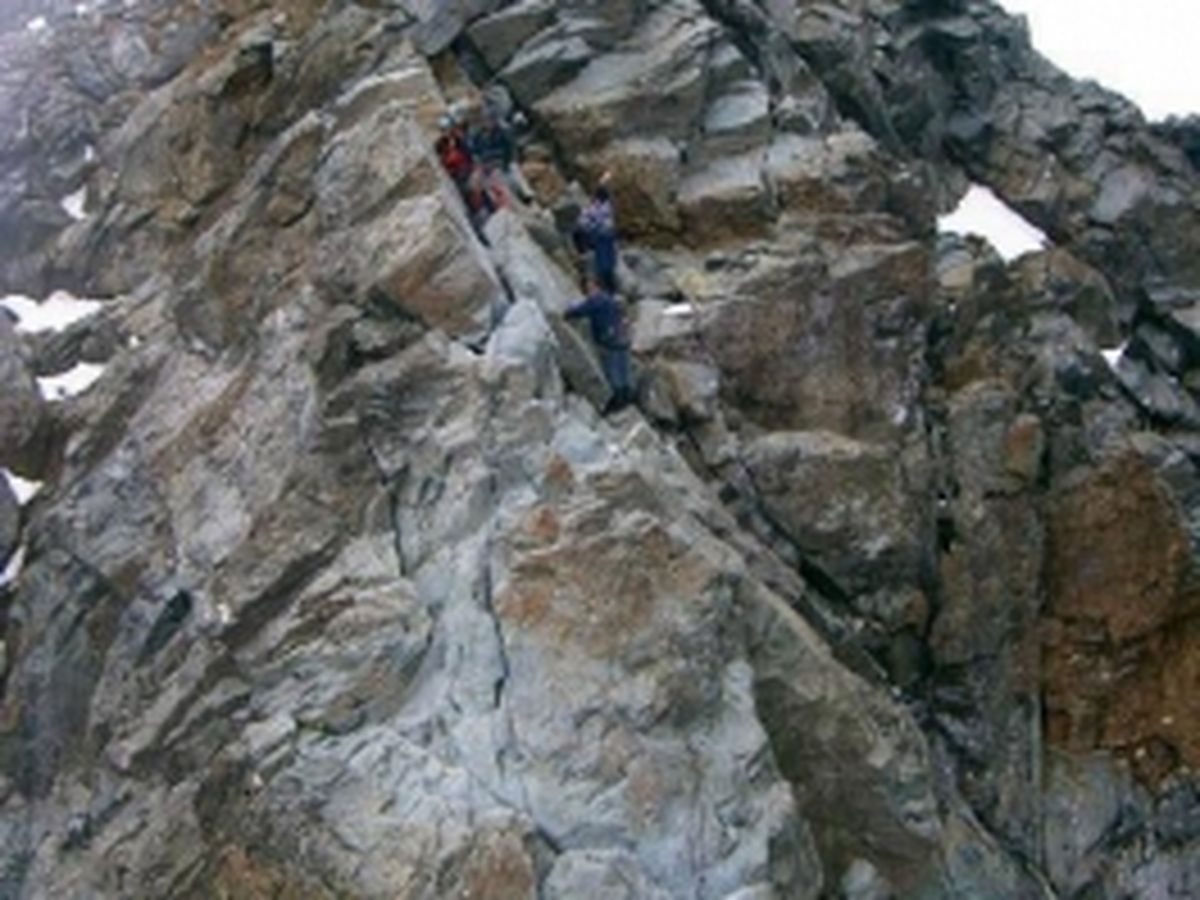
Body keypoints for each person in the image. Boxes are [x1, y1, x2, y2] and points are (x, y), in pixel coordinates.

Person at [565, 278, 633, 412]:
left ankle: (619, 404)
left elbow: (579, 310)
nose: (588, 291)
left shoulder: (596, 300)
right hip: (622, 339)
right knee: (624, 371)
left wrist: (566, 313)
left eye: (590, 288)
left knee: (614, 374)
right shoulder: (610, 299)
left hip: (609, 341)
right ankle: (628, 400)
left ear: (595, 287)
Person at [573, 180, 618, 292]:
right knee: (607, 265)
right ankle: (610, 288)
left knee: (603, 265)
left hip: (599, 236)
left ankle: (606, 288)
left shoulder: (596, 208)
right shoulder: (607, 207)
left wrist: (590, 226)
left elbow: (582, 222)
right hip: (605, 236)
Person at [434, 114, 473, 191]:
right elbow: (438, 158)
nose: (446, 132)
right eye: (443, 130)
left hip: (464, 171)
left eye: (447, 129)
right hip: (450, 174)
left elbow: (468, 157)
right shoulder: (440, 143)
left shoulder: (460, 140)